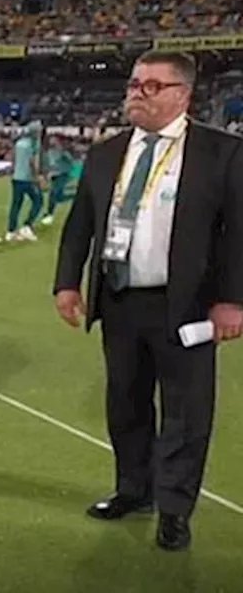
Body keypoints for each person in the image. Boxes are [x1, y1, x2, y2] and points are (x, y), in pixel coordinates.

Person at [53, 50, 243, 552]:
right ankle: (133, 490)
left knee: (186, 412)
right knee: (126, 403)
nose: (137, 92)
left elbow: (239, 235)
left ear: (183, 94)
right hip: (120, 299)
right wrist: (67, 282)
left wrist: (233, 301)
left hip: (187, 305)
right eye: (135, 83)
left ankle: (175, 510)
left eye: (152, 86)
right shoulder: (106, 151)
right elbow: (80, 226)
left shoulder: (221, 152)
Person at [2, 120, 44, 242]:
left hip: (16, 178)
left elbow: (13, 159)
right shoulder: (32, 144)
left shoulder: (19, 143)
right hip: (27, 179)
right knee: (38, 201)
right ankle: (27, 226)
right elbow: (32, 162)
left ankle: (10, 231)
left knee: (16, 205)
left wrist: (11, 171)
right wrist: (37, 178)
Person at [40, 135, 75, 225]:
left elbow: (71, 161)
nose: (52, 142)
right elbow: (50, 165)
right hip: (54, 176)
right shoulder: (50, 152)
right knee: (59, 197)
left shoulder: (62, 151)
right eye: (51, 140)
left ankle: (49, 215)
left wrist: (67, 169)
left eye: (54, 140)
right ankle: (75, 195)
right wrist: (48, 174)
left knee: (53, 194)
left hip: (62, 175)